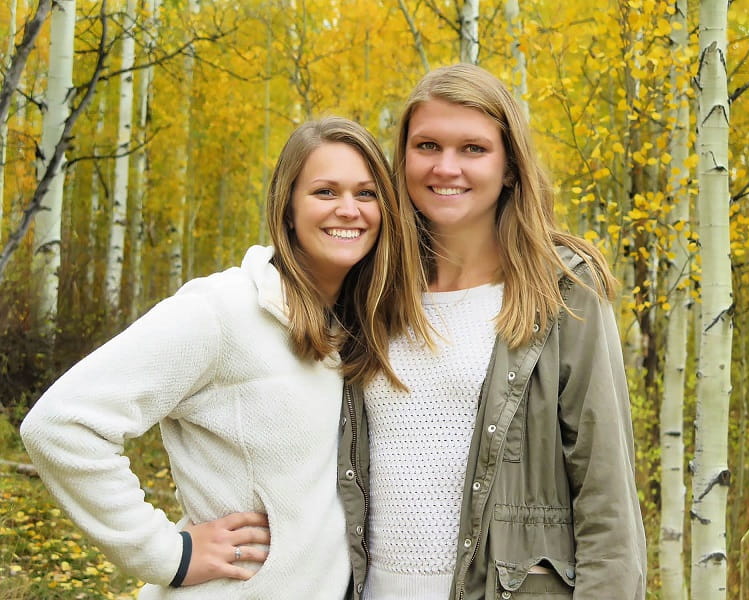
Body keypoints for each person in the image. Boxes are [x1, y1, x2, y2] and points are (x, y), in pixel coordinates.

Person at [21, 117, 430, 599]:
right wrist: (168, 554)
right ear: (287, 208)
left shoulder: (354, 330)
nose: (348, 209)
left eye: (366, 193)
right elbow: (61, 424)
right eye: (325, 191)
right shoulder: (223, 311)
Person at [338, 64, 647, 599]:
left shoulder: (562, 290)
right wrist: (192, 548)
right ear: (403, 159)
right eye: (427, 145)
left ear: (508, 167)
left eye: (473, 149)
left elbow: (606, 499)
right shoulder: (370, 287)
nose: (446, 167)